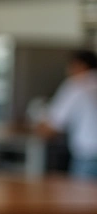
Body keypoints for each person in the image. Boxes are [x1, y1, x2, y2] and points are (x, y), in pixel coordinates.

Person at [37, 50, 97, 179]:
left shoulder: (77, 85)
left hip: (89, 157)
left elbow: (52, 127)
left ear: (80, 65)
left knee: (82, 198)